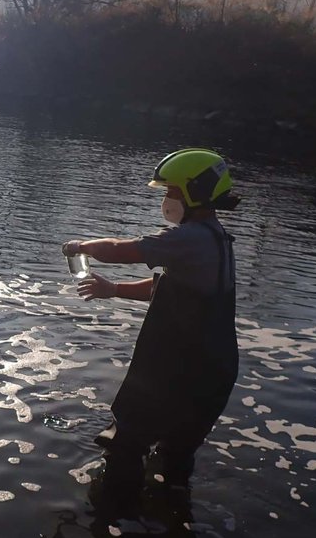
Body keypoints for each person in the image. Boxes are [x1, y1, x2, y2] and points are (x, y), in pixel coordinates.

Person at [62, 148, 240, 494]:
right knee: (176, 454)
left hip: (176, 369)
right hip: (215, 371)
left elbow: (121, 249)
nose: (167, 200)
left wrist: (79, 246)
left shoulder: (190, 237)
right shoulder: (217, 239)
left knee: (126, 444)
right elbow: (170, 287)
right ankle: (169, 524)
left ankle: (110, 523)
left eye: (171, 192)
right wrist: (113, 290)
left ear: (194, 192)